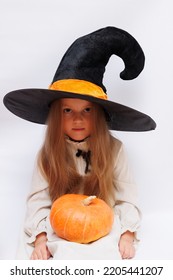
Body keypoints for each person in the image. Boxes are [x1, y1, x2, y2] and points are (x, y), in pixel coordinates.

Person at [3, 26, 156, 260]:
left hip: (103, 224)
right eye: (67, 110)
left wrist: (126, 234)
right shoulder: (48, 154)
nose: (77, 119)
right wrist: (41, 238)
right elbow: (38, 200)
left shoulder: (115, 150)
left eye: (86, 110)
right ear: (56, 117)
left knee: (103, 257)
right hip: (59, 226)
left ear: (98, 115)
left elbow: (127, 196)